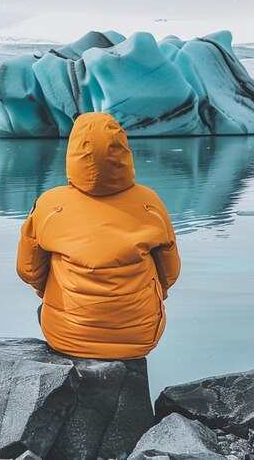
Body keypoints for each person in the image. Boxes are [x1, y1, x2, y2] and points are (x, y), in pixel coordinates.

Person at [17, 112, 180, 360]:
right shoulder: (149, 202)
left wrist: (50, 293)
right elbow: (170, 272)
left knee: (44, 310)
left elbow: (28, 269)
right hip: (138, 337)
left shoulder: (50, 204)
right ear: (123, 150)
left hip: (67, 335)